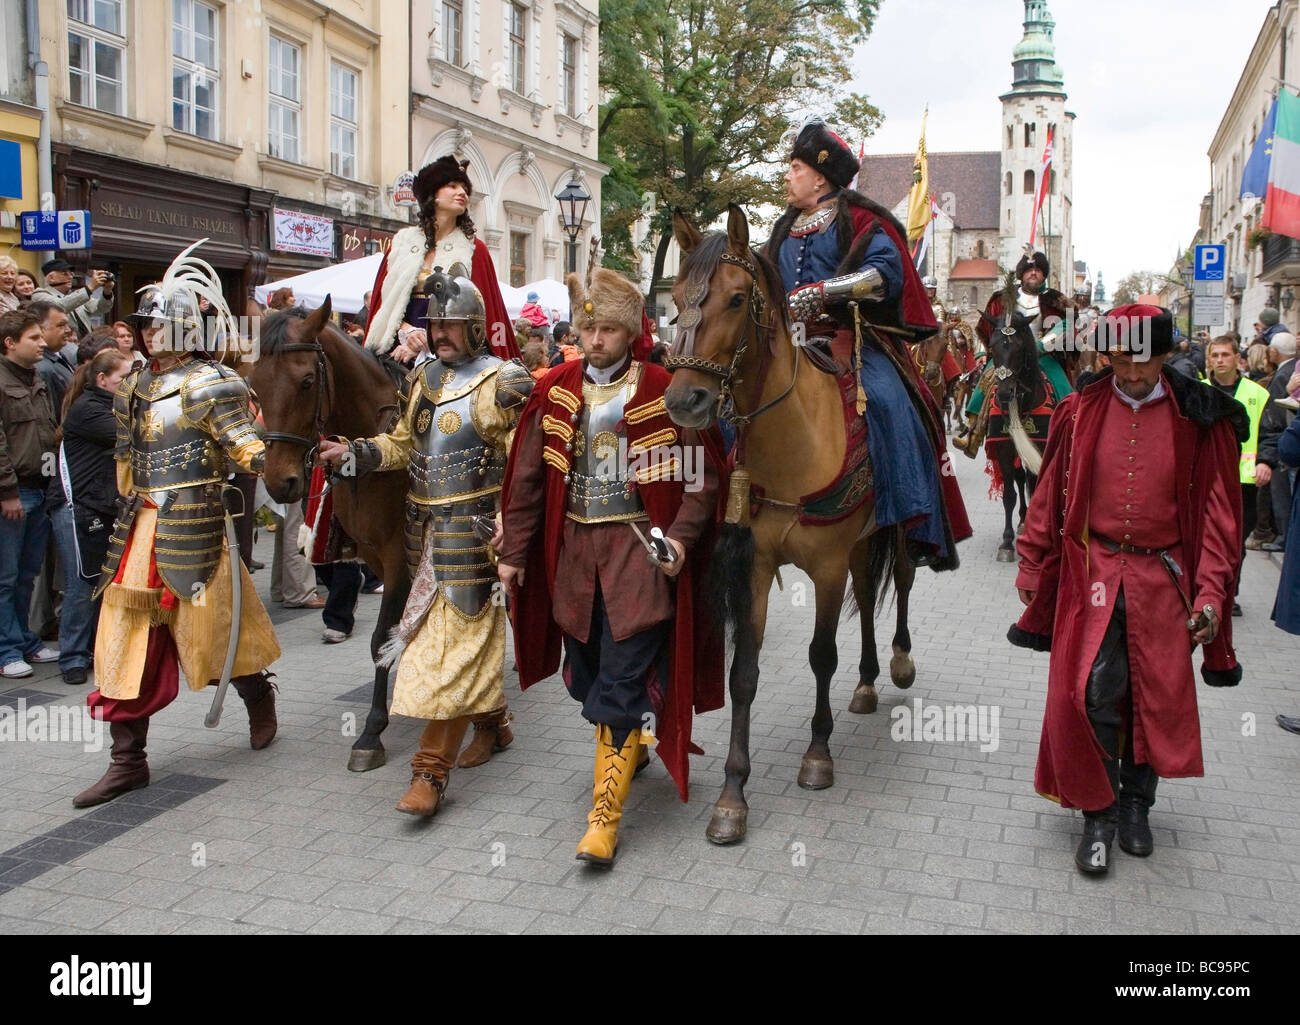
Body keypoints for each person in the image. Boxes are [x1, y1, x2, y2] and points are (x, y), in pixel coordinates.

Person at [499, 264, 726, 867]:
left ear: (631, 332)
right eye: (589, 327)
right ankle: (632, 742)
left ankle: (604, 819)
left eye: (609, 329)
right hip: (572, 562)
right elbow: (525, 481)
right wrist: (513, 554)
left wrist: (677, 542)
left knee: (620, 686)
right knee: (588, 678)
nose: (596, 339)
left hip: (637, 560)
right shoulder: (554, 386)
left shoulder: (663, 388)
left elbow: (701, 482)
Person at [1010, 305, 1245, 876]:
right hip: (1094, 572)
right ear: (1107, 355)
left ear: (1165, 356)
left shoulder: (1201, 419)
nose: (1131, 372)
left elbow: (1218, 519)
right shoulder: (1079, 410)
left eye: (1143, 359)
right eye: (1120, 358)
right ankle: (1100, 812)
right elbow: (1049, 497)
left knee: (1153, 696)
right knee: (1093, 689)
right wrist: (1032, 564)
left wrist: (1211, 594)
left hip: (1166, 577)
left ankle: (1139, 805)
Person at [318, 266, 534, 815]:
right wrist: (355, 454)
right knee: (443, 645)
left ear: (477, 326)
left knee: (453, 651)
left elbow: (525, 464)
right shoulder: (423, 381)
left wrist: (515, 525)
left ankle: (429, 773)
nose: (440, 334)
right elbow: (401, 446)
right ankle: (495, 723)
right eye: (435, 323)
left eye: (452, 324)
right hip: (423, 535)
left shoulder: (505, 381)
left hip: (477, 534)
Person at [74, 243, 282, 808]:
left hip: (197, 525)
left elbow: (249, 452)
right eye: (145, 326)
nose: (149, 335)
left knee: (217, 632)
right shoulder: (134, 387)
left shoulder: (215, 383)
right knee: (122, 640)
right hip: (138, 528)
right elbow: (125, 462)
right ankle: (128, 761)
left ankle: (257, 695)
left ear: (189, 327)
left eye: (161, 326)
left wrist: (277, 462)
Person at [766, 117, 970, 568]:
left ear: (819, 176)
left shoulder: (860, 218)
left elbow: (884, 273)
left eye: (794, 167)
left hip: (850, 343)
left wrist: (822, 292)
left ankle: (910, 517)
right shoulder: (781, 229)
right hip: (786, 345)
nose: (787, 175)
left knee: (891, 402)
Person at [364, 155, 516, 364]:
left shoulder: (474, 250)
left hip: (455, 354)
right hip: (398, 346)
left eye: (464, 188)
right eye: (452, 186)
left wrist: (428, 340)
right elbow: (386, 305)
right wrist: (407, 332)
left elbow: (482, 313)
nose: (461, 192)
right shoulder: (401, 244)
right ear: (432, 194)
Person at [51, 348, 133, 685]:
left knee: (103, 583)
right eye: (124, 379)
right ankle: (71, 656)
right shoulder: (89, 410)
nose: (131, 385)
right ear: (102, 380)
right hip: (76, 508)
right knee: (81, 584)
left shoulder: (114, 405)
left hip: (101, 506)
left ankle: (94, 651)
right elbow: (135, 436)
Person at [0, 309, 61, 678]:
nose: (42, 343)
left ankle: (24, 639)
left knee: (27, 574)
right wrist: (6, 490)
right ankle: (6, 649)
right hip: (15, 491)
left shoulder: (35, 376)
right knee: (6, 577)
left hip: (40, 487)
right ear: (10, 343)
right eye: (34, 338)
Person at [1204, 335, 1271, 616]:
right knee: (1204, 539)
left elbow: (1269, 431)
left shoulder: (1258, 393)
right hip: (1206, 477)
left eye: (1225, 355)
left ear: (1237, 358)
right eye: (1215, 355)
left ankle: (1230, 594)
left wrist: (1265, 461)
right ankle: (1204, 591)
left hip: (1244, 480)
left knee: (1235, 542)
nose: (1220, 360)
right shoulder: (1197, 391)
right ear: (1208, 360)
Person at [1256, 331, 1299, 554]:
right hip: (1284, 440)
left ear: (1274, 351)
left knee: (1283, 495)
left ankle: (1283, 537)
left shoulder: (1287, 374)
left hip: (1284, 441)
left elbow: (1278, 410)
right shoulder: (1291, 370)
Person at [31, 259, 115, 338]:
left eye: (71, 274)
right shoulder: (39, 294)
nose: (70, 277)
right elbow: (59, 307)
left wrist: (107, 290)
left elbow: (101, 309)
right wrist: (91, 287)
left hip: (85, 343)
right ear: (51, 278)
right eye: (65, 274)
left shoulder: (76, 295)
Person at [29, 299, 78, 421]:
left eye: (67, 324)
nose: (67, 330)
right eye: (61, 325)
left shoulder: (61, 354)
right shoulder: (41, 367)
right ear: (40, 329)